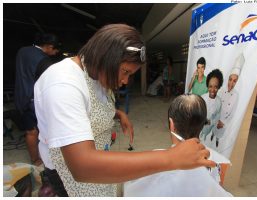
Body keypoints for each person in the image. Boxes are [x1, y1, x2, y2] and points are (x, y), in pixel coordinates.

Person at [34, 24, 215, 197]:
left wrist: (118, 114)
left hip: (99, 158)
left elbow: (90, 105)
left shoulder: (95, 72)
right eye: (125, 72)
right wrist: (170, 158)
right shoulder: (62, 84)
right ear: (106, 58)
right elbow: (82, 166)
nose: (126, 81)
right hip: (71, 173)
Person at [124, 94, 232, 197]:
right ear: (203, 124)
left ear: (171, 125)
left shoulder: (155, 159)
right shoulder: (220, 162)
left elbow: (131, 190)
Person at [14, 33, 60, 166]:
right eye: (55, 50)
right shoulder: (44, 61)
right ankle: (37, 160)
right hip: (33, 100)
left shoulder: (22, 51)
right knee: (34, 131)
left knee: (31, 130)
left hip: (21, 95)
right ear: (50, 47)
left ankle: (35, 158)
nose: (55, 53)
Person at [212, 54, 245, 147]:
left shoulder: (236, 96)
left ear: (237, 82)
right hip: (216, 118)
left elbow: (233, 113)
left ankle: (217, 140)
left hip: (223, 121)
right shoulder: (221, 90)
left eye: (234, 81)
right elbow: (215, 105)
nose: (231, 83)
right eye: (230, 79)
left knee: (219, 134)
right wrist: (216, 119)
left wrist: (223, 122)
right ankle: (212, 135)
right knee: (213, 130)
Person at [200, 69, 223, 147]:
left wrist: (211, 122)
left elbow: (217, 116)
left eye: (216, 87)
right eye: (210, 86)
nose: (213, 90)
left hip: (208, 129)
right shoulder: (202, 98)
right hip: (198, 129)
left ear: (219, 86)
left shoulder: (219, 102)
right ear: (207, 86)